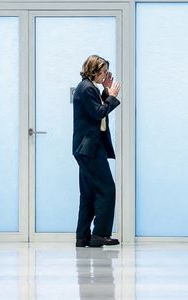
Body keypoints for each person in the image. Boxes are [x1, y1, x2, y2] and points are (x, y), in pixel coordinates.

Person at [72, 55, 121, 247]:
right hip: (89, 149)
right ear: (93, 71)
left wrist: (106, 91)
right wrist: (112, 96)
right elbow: (98, 112)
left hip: (86, 148)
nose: (105, 75)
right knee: (107, 188)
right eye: (103, 72)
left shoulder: (88, 88)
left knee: (89, 192)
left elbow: (96, 107)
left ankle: (82, 236)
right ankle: (100, 234)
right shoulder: (86, 88)